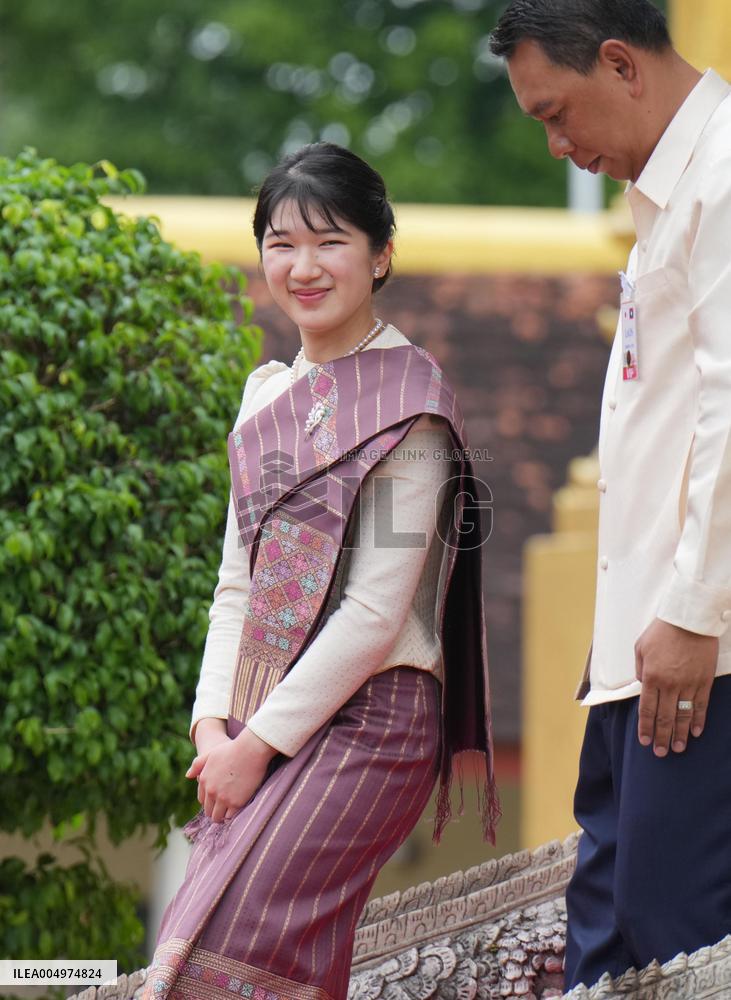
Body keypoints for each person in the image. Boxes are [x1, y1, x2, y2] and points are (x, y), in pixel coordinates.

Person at [142, 142, 499, 1000]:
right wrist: (211, 732)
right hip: (256, 718)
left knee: (230, 953)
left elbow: (375, 614)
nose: (302, 267)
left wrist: (253, 746)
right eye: (280, 242)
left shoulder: (407, 408)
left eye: (329, 241)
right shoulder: (265, 394)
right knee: (199, 948)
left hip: (370, 722)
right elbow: (237, 583)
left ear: (380, 255)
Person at [490, 0, 731, 990]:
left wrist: (690, 607)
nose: (555, 146)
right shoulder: (665, 196)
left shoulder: (720, 178)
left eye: (555, 113)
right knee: (604, 934)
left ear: (622, 66)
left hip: (696, 648)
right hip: (637, 648)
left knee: (675, 932)